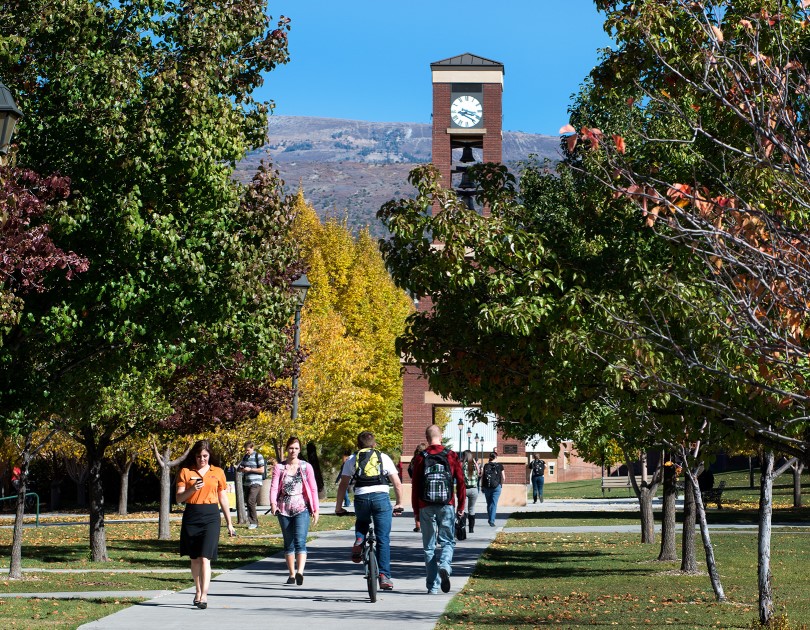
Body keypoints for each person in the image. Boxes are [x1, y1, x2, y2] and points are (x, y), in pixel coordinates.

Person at [335, 431, 403, 591]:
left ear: (358, 446)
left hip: (361, 497)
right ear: (374, 444)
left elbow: (343, 484)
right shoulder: (383, 457)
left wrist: (338, 507)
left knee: (362, 520)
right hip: (381, 497)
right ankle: (384, 576)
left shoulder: (352, 459)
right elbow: (397, 483)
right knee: (383, 539)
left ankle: (359, 540)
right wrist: (399, 503)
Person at [176, 439, 235, 609]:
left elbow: (223, 497)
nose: (202, 459)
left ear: (209, 456)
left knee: (205, 557)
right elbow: (179, 498)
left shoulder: (218, 472)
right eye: (199, 456)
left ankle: (204, 595)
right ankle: (197, 589)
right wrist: (192, 489)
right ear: (194, 457)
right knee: (194, 558)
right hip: (192, 515)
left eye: (205, 456)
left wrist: (229, 523)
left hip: (211, 516)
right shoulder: (186, 472)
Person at [410, 424, 465, 594]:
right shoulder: (451, 455)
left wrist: (416, 512)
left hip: (425, 505)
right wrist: (461, 506)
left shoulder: (421, 457)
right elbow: (461, 482)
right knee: (447, 541)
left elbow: (415, 486)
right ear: (441, 437)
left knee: (429, 547)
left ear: (427, 439)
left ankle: (432, 587)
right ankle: (445, 566)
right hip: (446, 504)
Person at [270, 436, 320, 585]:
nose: (293, 451)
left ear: (300, 450)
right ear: (287, 449)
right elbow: (273, 487)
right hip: (284, 508)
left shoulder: (306, 467)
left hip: (301, 507)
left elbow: (313, 488)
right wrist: (273, 504)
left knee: (300, 541)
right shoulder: (279, 467)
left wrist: (315, 509)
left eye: (296, 448)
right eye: (291, 448)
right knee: (288, 543)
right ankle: (292, 574)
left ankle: (300, 572)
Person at [236, 441, 265, 530]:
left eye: (248, 450)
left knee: (250, 501)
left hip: (256, 482)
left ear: (252, 448)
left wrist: (250, 469)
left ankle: (254, 522)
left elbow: (262, 470)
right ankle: (252, 521)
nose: (246, 452)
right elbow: (241, 468)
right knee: (248, 503)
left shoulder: (258, 456)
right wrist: (241, 469)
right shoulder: (245, 457)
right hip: (247, 482)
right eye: (245, 450)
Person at [407, 442, 427, 532]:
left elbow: (409, 470)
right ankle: (425, 524)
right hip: (425, 484)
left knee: (416, 505)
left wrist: (413, 477)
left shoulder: (414, 459)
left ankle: (417, 525)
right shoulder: (426, 458)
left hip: (415, 484)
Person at [481, 451, 505, 527]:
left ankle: (490, 518)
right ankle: (492, 520)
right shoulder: (500, 465)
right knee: (494, 504)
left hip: (487, 486)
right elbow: (504, 477)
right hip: (496, 487)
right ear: (496, 457)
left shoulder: (486, 465)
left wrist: (482, 486)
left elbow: (482, 476)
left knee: (489, 503)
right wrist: (500, 484)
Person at [461, 450, 481, 533]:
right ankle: (471, 528)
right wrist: (475, 463)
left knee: (463, 509)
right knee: (472, 508)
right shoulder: (474, 465)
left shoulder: (463, 465)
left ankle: (463, 527)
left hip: (465, 489)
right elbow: (479, 473)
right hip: (474, 489)